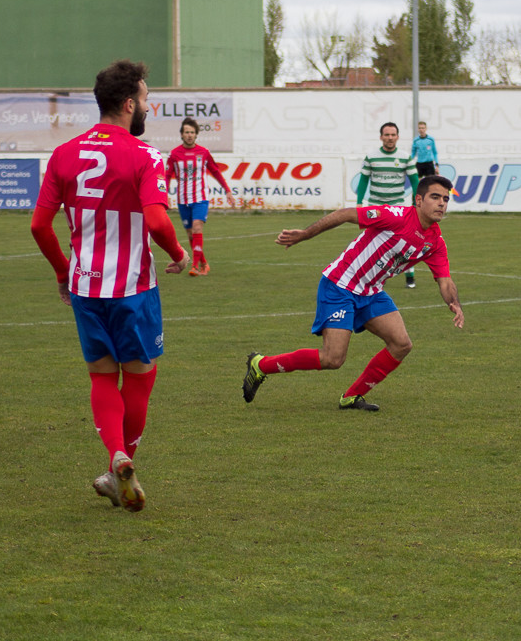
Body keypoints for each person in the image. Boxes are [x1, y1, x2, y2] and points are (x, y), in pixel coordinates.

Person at [31, 60, 189, 512]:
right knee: (140, 378)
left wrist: (63, 270)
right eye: (144, 98)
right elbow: (157, 220)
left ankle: (115, 459)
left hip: (85, 287)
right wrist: (179, 253)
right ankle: (124, 457)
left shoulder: (63, 155)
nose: (148, 105)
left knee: (102, 375)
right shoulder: (145, 156)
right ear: (127, 105)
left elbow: (40, 226)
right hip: (134, 288)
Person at [243, 175, 464, 412]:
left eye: (445, 199)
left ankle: (352, 396)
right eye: (435, 197)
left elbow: (445, 280)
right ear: (418, 200)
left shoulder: (435, 242)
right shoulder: (395, 216)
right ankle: (261, 365)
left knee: (401, 344)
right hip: (340, 285)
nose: (441, 203)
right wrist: (305, 234)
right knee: (333, 359)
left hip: (371, 293)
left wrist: (455, 304)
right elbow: (346, 214)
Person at [166, 117, 236, 276]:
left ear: (196, 134)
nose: (189, 135)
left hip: (200, 198)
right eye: (186, 132)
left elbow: (216, 172)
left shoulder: (203, 153)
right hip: (183, 200)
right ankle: (204, 263)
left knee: (197, 227)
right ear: (182, 135)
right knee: (191, 234)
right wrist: (163, 195)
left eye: (192, 132)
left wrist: (227, 190)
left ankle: (195, 266)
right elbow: (167, 175)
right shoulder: (174, 154)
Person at [357, 121, 419, 287]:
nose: (390, 138)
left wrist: (416, 203)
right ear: (381, 137)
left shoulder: (405, 157)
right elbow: (363, 180)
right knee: (369, 241)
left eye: (393, 135)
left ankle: (410, 277)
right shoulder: (371, 156)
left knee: (403, 241)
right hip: (375, 206)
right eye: (387, 135)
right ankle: (365, 277)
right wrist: (358, 202)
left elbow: (415, 182)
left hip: (397, 207)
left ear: (397, 137)